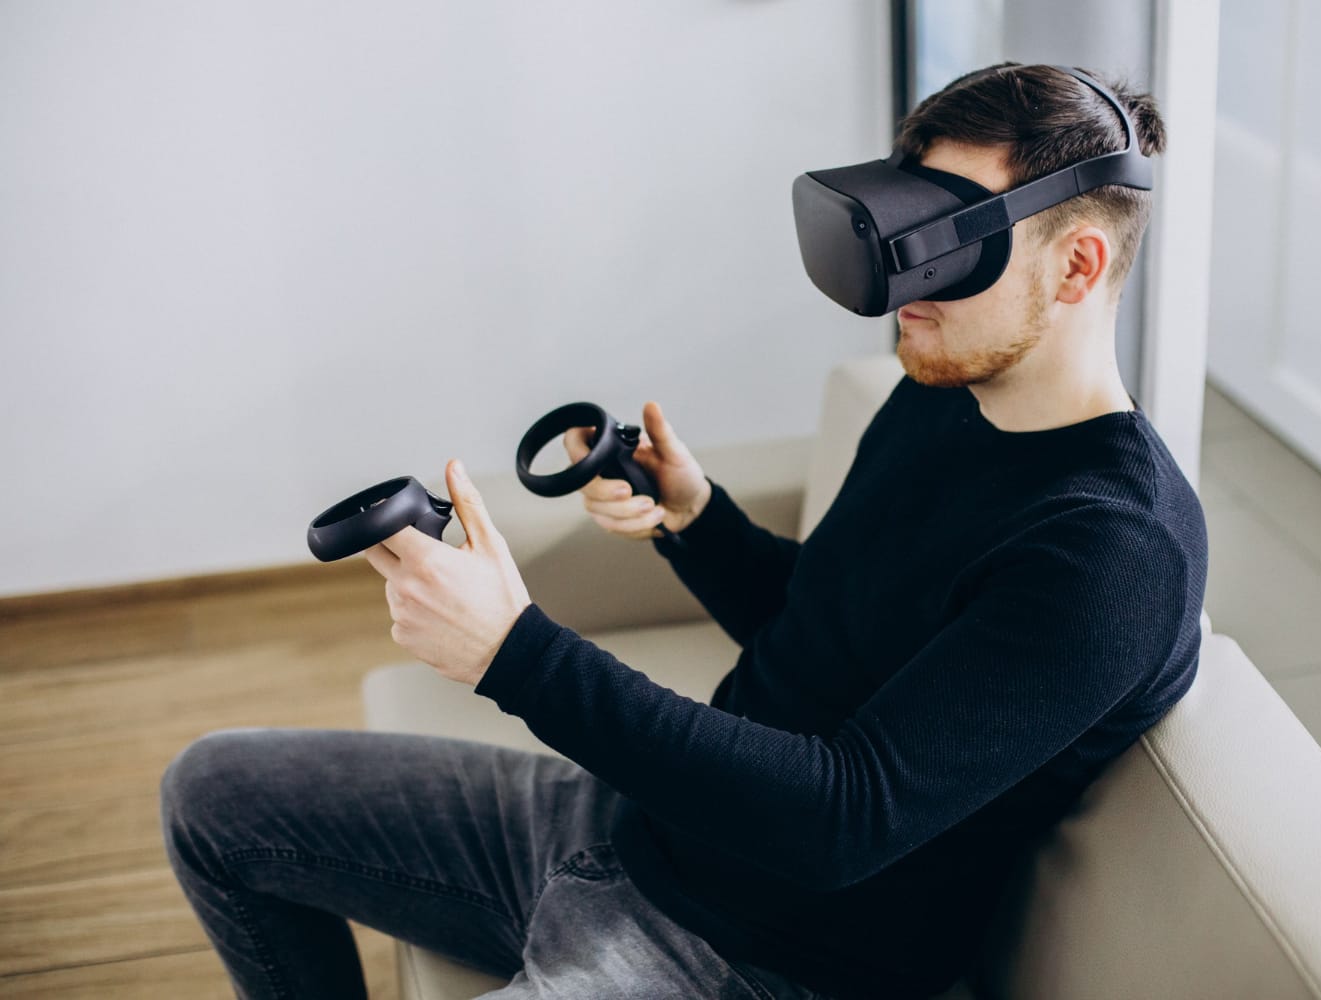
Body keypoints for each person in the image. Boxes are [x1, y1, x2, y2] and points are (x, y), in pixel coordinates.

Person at [160, 62, 1206, 1000]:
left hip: (759, 959)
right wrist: (696, 519)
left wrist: (513, 653)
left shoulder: (1113, 551)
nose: (905, 289)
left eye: (950, 241)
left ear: (1075, 268)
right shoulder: (945, 385)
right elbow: (827, 629)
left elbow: (843, 818)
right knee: (213, 792)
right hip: (627, 829)